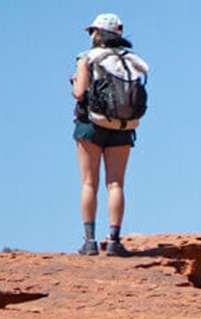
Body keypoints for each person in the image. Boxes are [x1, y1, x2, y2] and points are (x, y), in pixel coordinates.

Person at [71, 13, 149, 256]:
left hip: (91, 126)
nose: (91, 36)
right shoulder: (132, 60)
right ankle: (114, 240)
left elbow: (80, 93)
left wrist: (75, 81)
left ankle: (90, 241)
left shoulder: (87, 58)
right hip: (123, 127)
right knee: (115, 184)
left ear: (99, 34)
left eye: (93, 32)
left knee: (89, 183)